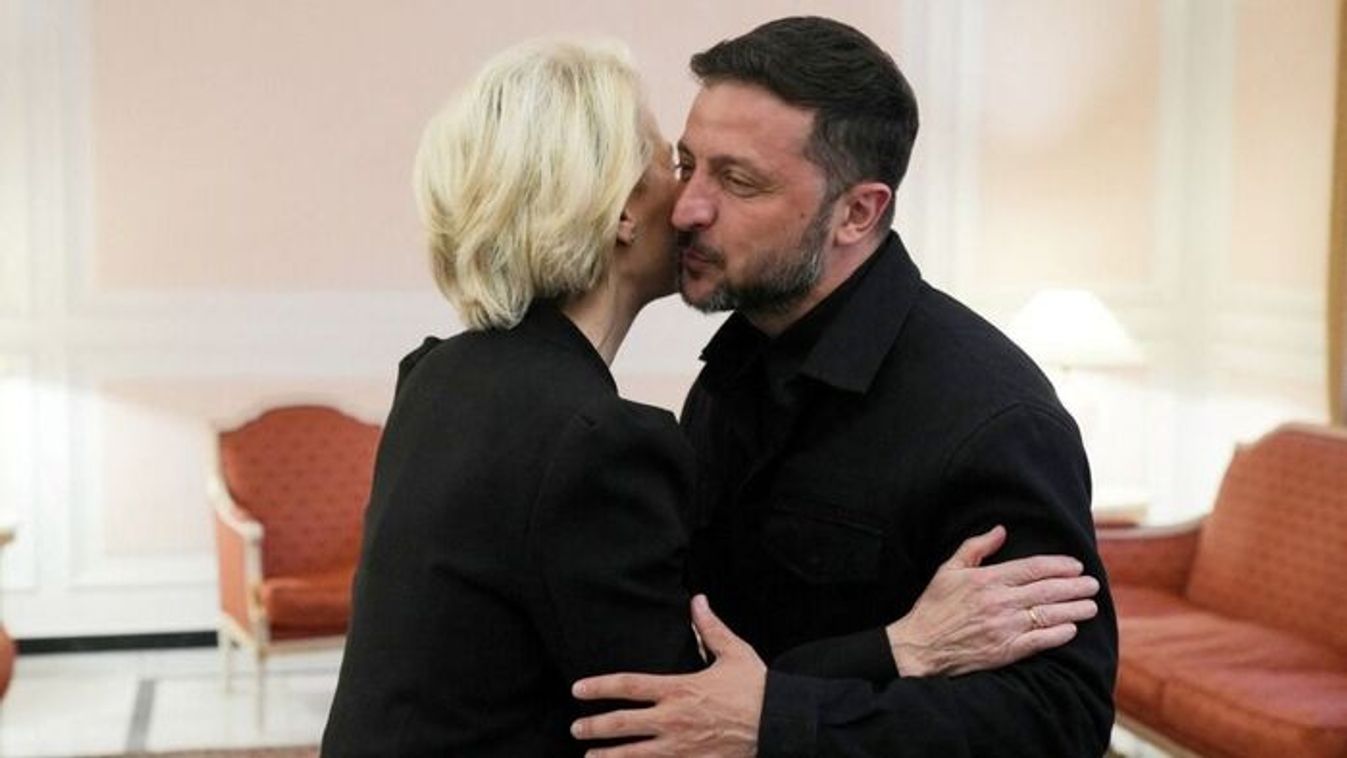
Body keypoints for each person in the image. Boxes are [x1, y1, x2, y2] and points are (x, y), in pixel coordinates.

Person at [571, 16, 1119, 757]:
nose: (688, 208)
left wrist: (781, 722)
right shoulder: (736, 363)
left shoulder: (994, 415)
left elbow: (1060, 717)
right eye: (687, 164)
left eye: (737, 181)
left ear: (857, 213)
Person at [320, 40, 704, 756]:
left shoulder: (437, 373)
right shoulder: (595, 439)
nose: (694, 201)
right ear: (622, 208)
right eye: (672, 166)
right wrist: (889, 651)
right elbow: (677, 723)